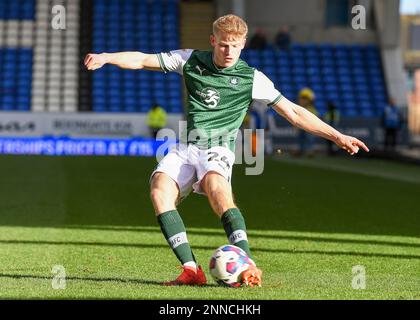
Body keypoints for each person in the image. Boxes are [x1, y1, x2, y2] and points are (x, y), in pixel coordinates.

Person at [84, 14, 369, 288]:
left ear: (243, 44)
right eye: (223, 44)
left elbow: (294, 112)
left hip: (218, 147)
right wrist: (107, 57)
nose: (229, 50)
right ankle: (191, 270)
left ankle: (247, 264)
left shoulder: (251, 78)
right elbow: (143, 59)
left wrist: (336, 135)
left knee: (215, 186)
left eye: (235, 45)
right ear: (213, 40)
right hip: (187, 146)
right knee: (159, 191)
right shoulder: (191, 60)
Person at [296, 88, 318, 156]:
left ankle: (310, 152)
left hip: (309, 128)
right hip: (301, 127)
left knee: (309, 140)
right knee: (301, 140)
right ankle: (301, 151)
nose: (302, 101)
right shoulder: (299, 108)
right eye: (302, 98)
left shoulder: (312, 109)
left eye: (305, 99)